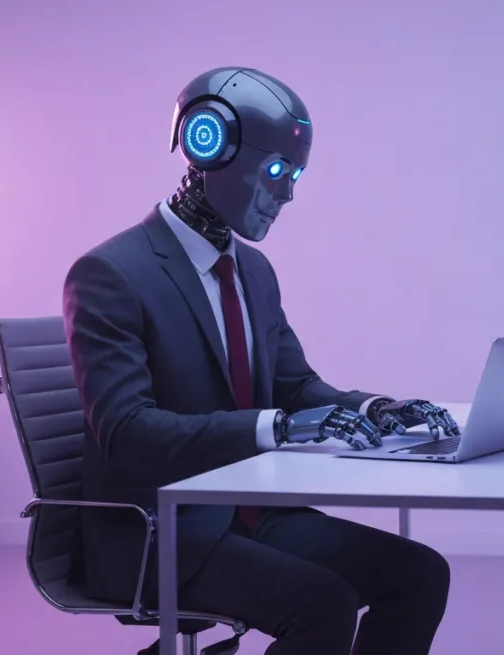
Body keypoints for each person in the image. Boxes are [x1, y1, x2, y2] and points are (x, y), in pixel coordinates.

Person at [63, 66, 460, 655]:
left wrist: (377, 409)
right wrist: (273, 428)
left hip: (247, 511)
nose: (289, 195)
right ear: (210, 143)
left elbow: (296, 387)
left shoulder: (251, 270)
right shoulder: (110, 274)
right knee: (322, 603)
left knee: (420, 574)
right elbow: (125, 431)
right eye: (277, 172)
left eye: (296, 175)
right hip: (158, 531)